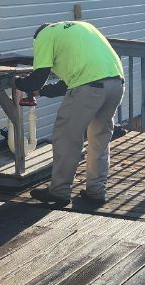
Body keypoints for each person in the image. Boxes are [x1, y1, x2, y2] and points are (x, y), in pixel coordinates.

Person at [17, 21, 125, 207]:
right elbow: (69, 83)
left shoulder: (43, 36)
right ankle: (96, 192)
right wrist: (42, 91)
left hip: (90, 87)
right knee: (99, 139)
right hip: (116, 83)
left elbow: (37, 78)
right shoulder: (80, 28)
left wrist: (18, 83)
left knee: (66, 137)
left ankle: (59, 191)